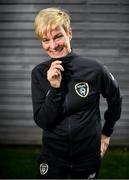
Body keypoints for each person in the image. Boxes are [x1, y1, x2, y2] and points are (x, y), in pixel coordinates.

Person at [31, 7, 122, 179]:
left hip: (87, 158)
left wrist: (106, 133)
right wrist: (55, 88)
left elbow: (115, 99)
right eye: (46, 40)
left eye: (58, 36)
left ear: (69, 34)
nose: (53, 45)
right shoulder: (39, 73)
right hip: (53, 159)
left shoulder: (94, 69)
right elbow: (43, 121)